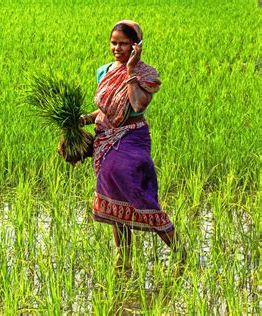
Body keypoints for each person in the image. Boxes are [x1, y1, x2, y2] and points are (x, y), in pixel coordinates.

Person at [79, 20, 185, 270]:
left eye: (123, 43)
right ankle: (124, 259)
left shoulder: (146, 73)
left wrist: (130, 70)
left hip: (131, 140)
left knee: (138, 195)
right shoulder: (103, 71)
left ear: (136, 45)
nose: (117, 48)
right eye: (114, 43)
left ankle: (180, 252)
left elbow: (137, 105)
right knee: (116, 204)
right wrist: (84, 119)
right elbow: (105, 109)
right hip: (105, 141)